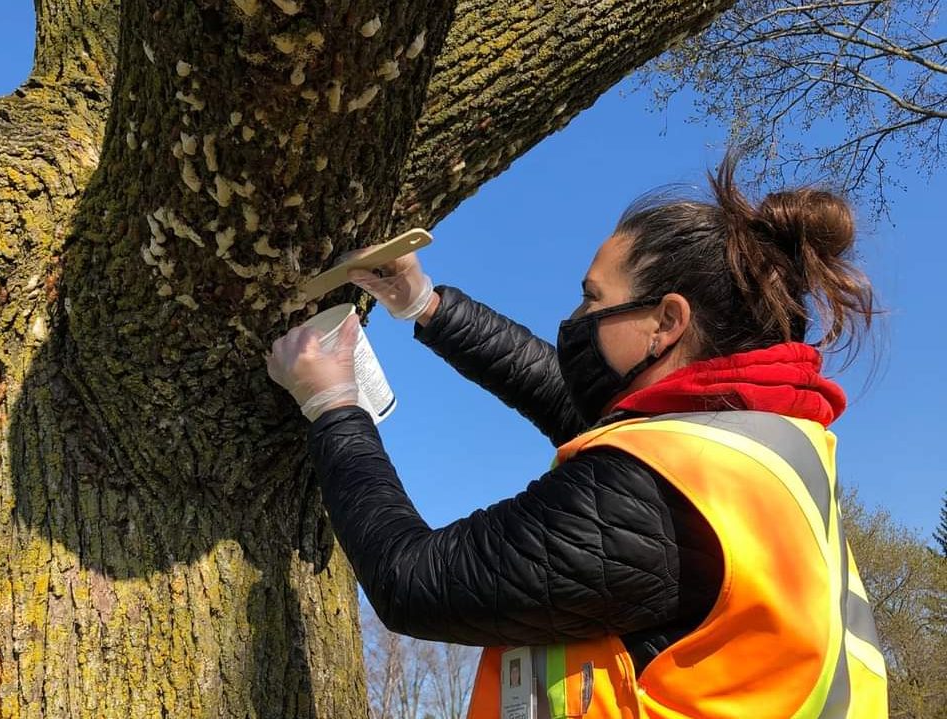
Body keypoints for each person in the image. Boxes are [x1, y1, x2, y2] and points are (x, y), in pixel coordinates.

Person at [267, 154, 889, 717]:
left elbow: (411, 579)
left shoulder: (653, 496)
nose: (574, 321)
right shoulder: (758, 447)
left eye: (592, 299)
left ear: (665, 323)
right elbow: (572, 404)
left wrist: (333, 405)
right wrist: (422, 302)